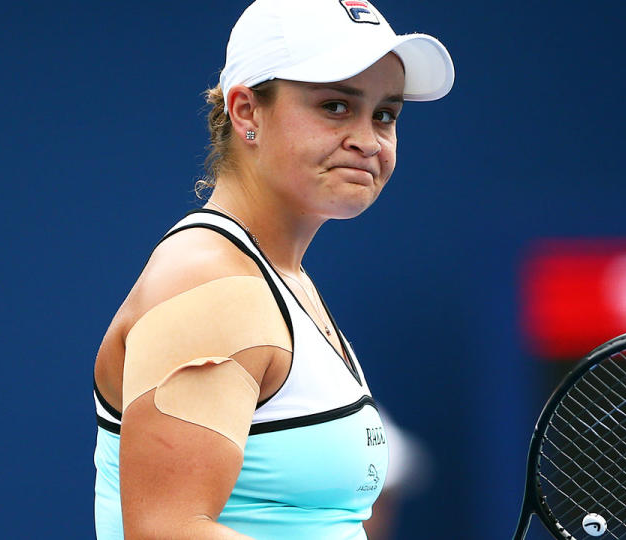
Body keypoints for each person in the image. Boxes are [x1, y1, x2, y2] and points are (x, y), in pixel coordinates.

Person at [91, 0, 454, 538]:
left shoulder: (278, 280)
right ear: (246, 112)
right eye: (335, 106)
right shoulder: (213, 284)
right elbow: (166, 532)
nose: (368, 139)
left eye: (385, 114)